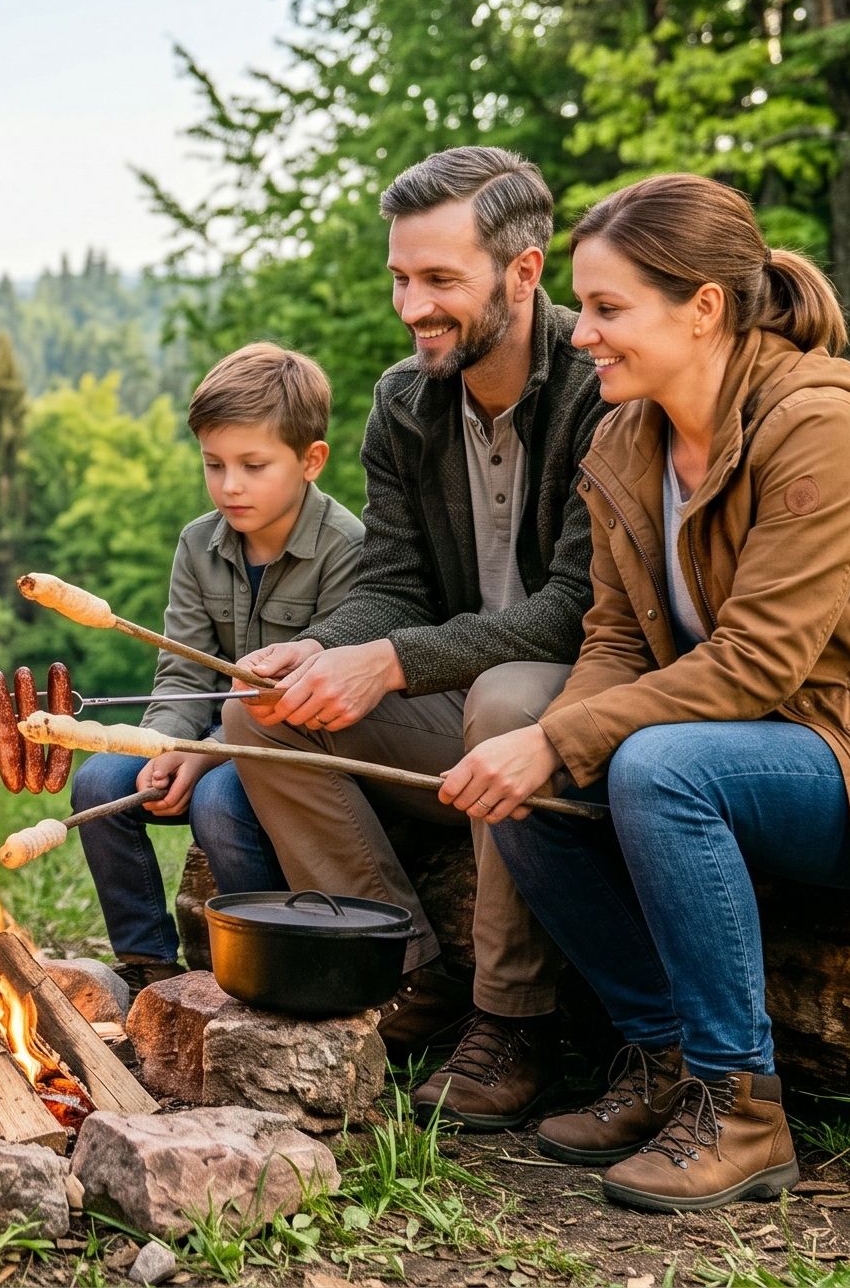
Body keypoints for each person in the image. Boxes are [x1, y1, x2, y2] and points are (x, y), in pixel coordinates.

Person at [455, 174, 850, 1211]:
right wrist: (548, 742)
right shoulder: (625, 440)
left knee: (644, 762)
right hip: (752, 747)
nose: (580, 334)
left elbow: (758, 664)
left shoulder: (817, 426)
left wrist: (569, 743)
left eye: (607, 309)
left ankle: (741, 1110)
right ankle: (662, 1057)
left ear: (704, 307)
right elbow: (611, 640)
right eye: (582, 307)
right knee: (534, 742)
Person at [220, 146, 605, 1128]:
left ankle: (510, 1026)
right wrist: (319, 648)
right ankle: (405, 971)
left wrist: (389, 662)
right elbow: (391, 585)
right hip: (462, 698)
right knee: (258, 709)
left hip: (588, 702)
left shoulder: (601, 392)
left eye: (439, 280)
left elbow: (576, 604)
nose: (411, 305)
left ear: (522, 274)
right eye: (400, 277)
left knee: (505, 695)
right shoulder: (403, 403)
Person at [69, 343, 360, 991]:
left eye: (254, 466)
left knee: (220, 799)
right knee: (101, 784)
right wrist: (163, 745)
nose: (230, 485)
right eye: (214, 464)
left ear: (311, 461)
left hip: (293, 758)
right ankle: (146, 965)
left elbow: (307, 710)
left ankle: (271, 967)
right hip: (204, 742)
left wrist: (204, 756)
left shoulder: (345, 548)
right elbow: (180, 675)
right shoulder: (198, 544)